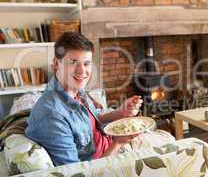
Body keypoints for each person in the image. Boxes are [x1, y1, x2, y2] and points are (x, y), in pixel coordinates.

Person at [25, 32, 143, 166]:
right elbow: (76, 172)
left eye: (86, 64)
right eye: (73, 62)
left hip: (110, 145)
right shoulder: (52, 116)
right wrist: (118, 143)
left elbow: (91, 118)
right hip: (104, 163)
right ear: (56, 64)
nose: (82, 71)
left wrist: (120, 112)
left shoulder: (76, 91)